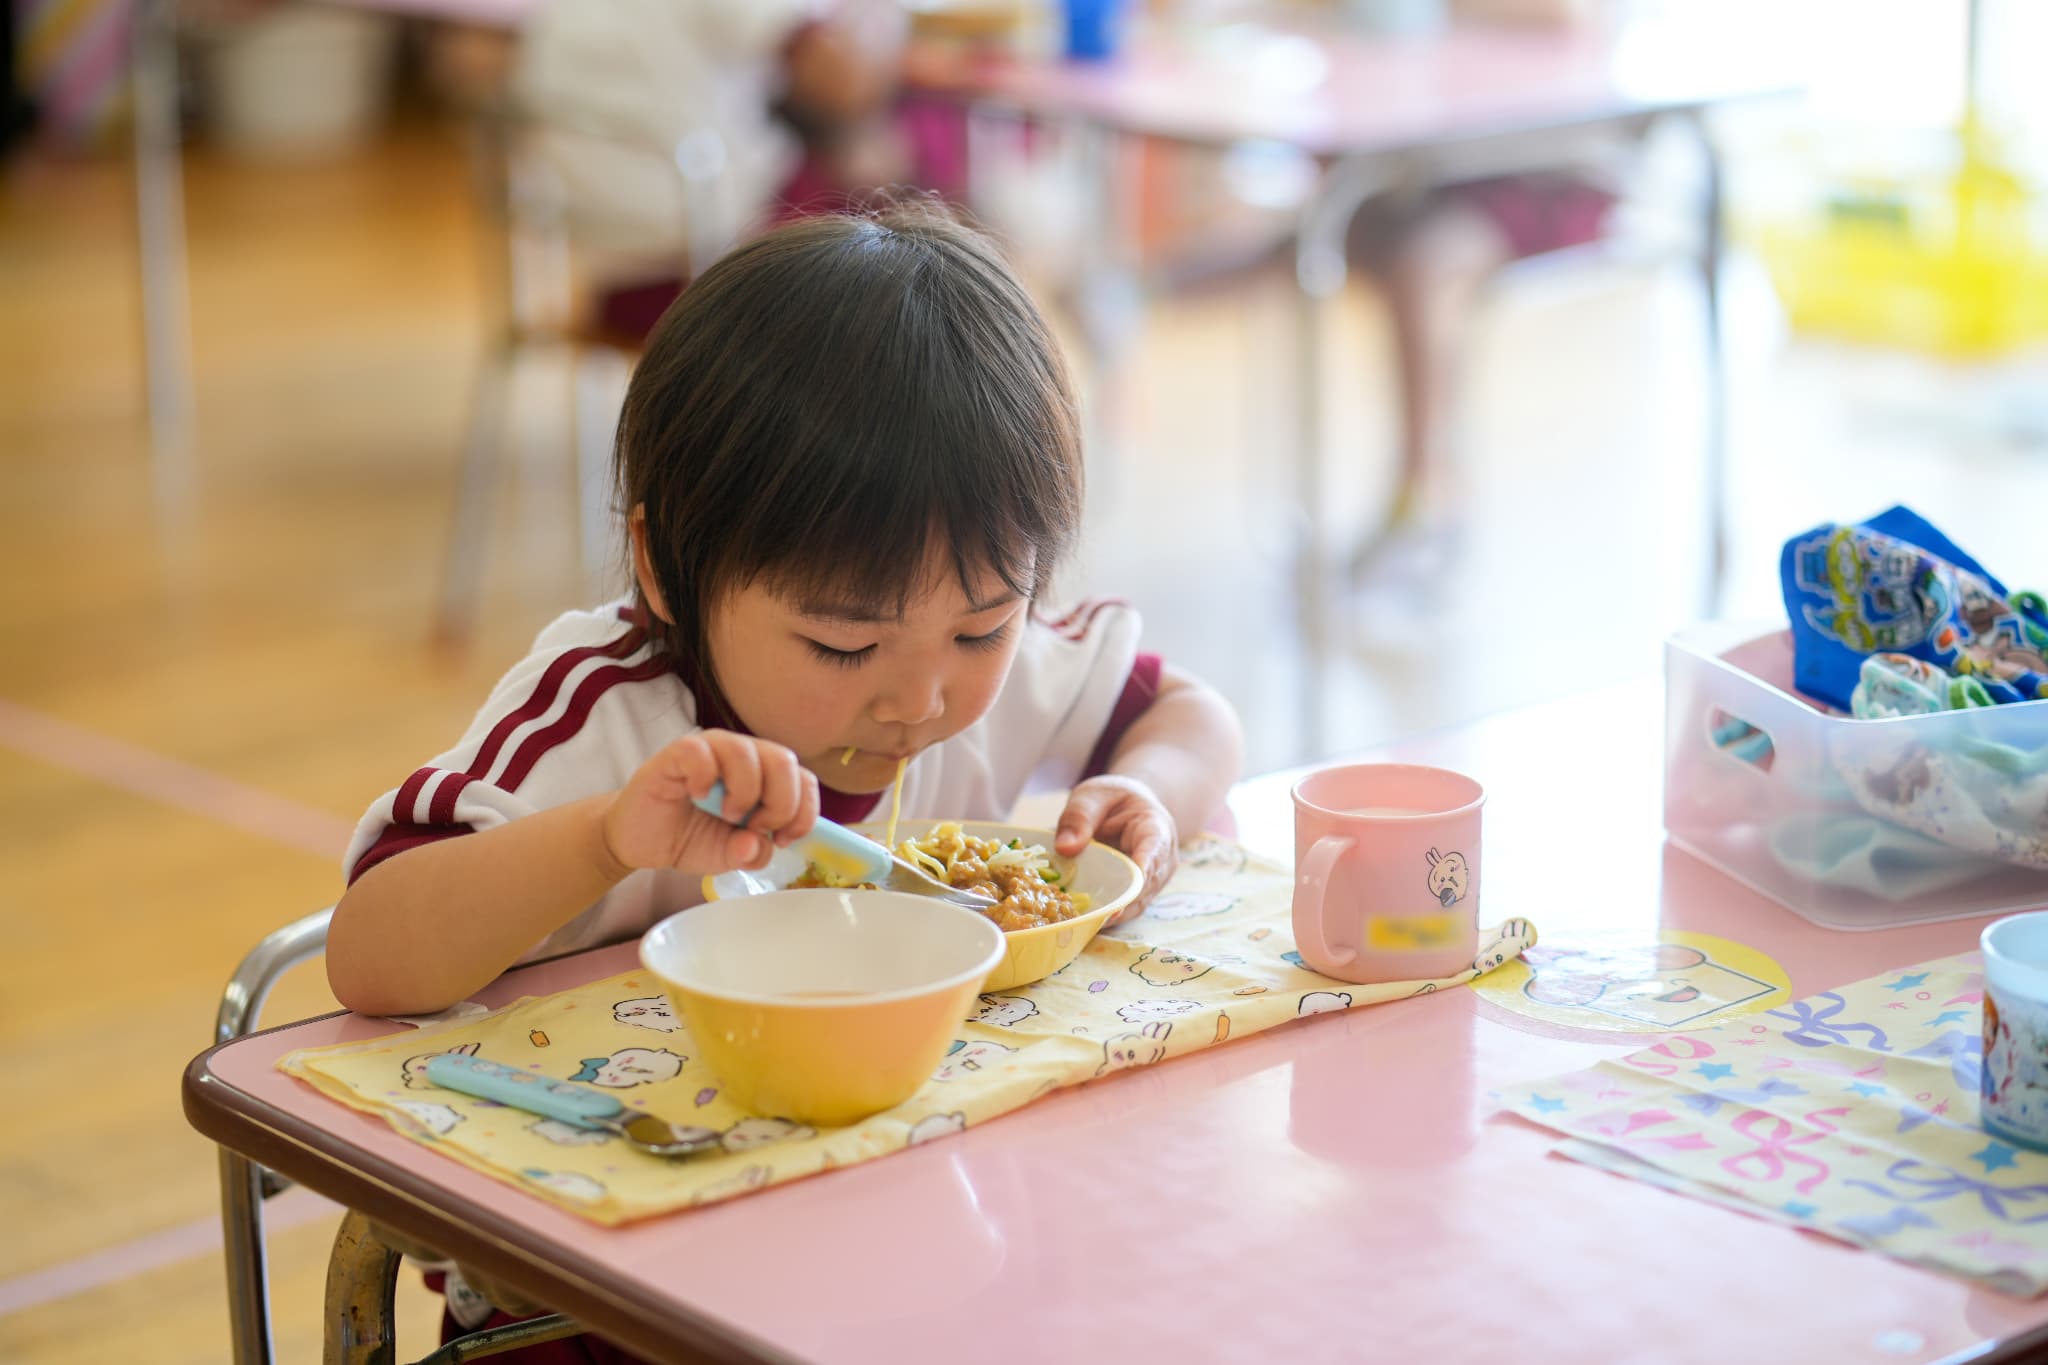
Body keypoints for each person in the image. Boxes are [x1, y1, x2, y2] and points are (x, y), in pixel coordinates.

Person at [328, 196, 1242, 1025]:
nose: (919, 698)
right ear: (658, 565)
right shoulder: (601, 713)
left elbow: (1191, 713)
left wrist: (1152, 791)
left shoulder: (1002, 669)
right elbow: (368, 956)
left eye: (981, 629)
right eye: (844, 644)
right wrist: (604, 838)